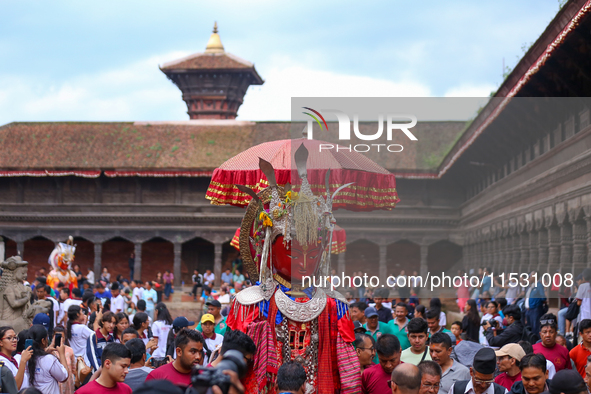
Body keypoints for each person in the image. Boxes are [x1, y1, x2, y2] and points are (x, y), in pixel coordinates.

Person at [25, 324, 68, 394]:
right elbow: (64, 377)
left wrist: (45, 351)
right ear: (43, 341)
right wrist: (62, 354)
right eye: (47, 338)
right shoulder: (49, 359)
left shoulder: (25, 357)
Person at [66, 305, 100, 372]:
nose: (83, 314)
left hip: (74, 361)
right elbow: (94, 337)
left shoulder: (68, 328)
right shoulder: (82, 328)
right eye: (82, 312)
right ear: (78, 314)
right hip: (85, 362)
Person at [0, 326, 31, 390]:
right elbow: (14, 387)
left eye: (15, 337)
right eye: (9, 338)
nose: (14, 341)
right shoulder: (2, 362)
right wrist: (23, 361)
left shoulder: (11, 359)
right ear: (0, 342)